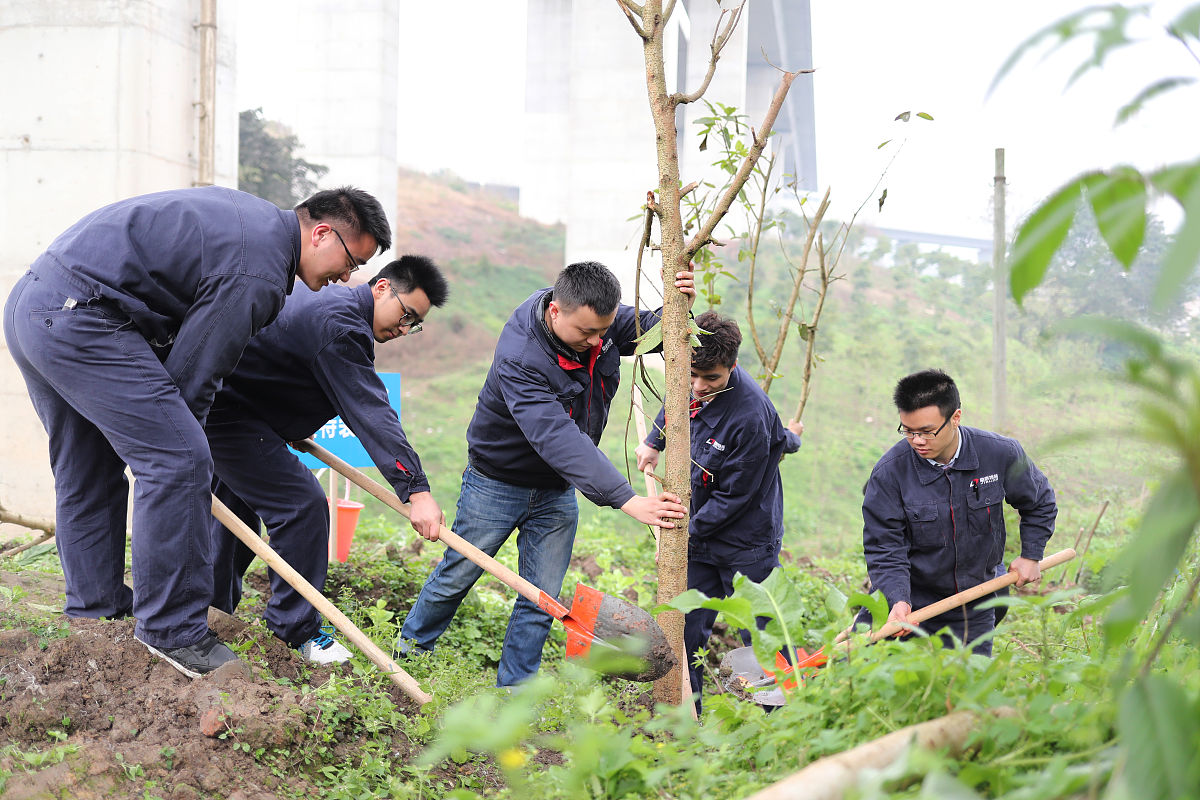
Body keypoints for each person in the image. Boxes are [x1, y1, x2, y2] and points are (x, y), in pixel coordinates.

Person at [3, 185, 391, 678]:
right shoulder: (260, 270)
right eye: (351, 261)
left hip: (36, 307)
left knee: (89, 470)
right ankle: (172, 631)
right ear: (320, 233)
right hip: (84, 316)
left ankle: (95, 613)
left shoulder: (248, 220)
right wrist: (187, 457)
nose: (347, 277)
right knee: (178, 460)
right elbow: (193, 378)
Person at [399, 260, 694, 686]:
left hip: (556, 489)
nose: (598, 342)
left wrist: (680, 306)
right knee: (457, 575)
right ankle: (405, 658)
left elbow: (655, 330)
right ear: (556, 311)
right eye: (586, 334)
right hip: (496, 484)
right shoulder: (522, 355)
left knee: (541, 598)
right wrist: (627, 498)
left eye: (604, 332)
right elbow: (557, 437)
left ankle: (515, 692)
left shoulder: (596, 321)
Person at [207, 256, 449, 664]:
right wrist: (416, 491)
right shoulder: (341, 326)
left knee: (235, 515)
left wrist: (289, 421)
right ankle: (293, 630)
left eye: (414, 324)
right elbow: (370, 412)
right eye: (405, 315)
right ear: (382, 287)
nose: (403, 329)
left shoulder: (331, 306)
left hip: (233, 408)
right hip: (232, 416)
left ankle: (208, 615)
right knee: (302, 506)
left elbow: (285, 362)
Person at [634, 311, 803, 713]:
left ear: (733, 365)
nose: (698, 387)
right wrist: (654, 439)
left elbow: (735, 498)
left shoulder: (750, 417)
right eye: (692, 375)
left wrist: (682, 533)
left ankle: (783, 717)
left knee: (760, 629)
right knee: (685, 625)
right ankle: (686, 713)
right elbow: (679, 403)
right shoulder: (690, 383)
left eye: (711, 378)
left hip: (745, 539)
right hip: (699, 530)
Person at [860, 368, 1057, 655]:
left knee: (965, 690)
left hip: (974, 602)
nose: (917, 441)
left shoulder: (999, 454)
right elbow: (885, 547)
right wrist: (897, 600)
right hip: (911, 601)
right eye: (908, 430)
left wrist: (1030, 555)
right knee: (854, 667)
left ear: (955, 418)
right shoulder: (889, 474)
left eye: (927, 431)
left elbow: (1039, 502)